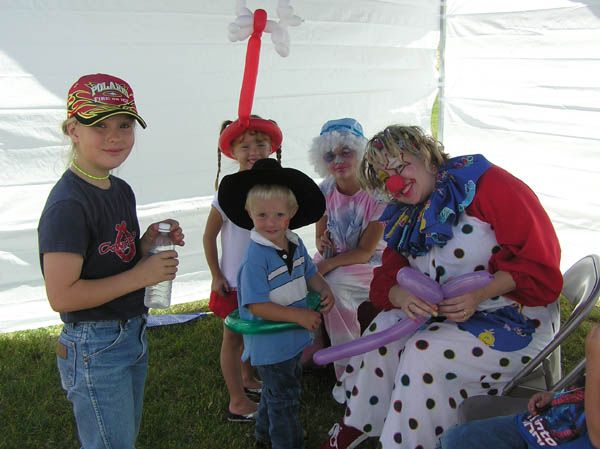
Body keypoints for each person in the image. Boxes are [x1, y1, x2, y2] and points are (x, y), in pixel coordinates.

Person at [318, 125, 563, 449]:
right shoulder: (406, 210)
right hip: (445, 314)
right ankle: (355, 425)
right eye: (383, 175)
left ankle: (411, 442)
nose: (394, 181)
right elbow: (387, 275)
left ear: (428, 157)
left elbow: (539, 263)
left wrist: (479, 294)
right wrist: (400, 295)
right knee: (382, 333)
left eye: (401, 166)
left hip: (513, 316)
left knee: (424, 354)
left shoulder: (489, 186)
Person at [37, 73, 185, 449]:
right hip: (94, 345)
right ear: (73, 130)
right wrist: (142, 275)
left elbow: (112, 255)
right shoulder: (68, 205)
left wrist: (145, 243)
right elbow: (62, 297)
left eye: (124, 124)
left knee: (120, 439)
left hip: (129, 332)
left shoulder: (119, 189)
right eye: (98, 125)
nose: (114, 136)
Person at [218, 158, 335, 449]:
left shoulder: (295, 243)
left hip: (292, 338)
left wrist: (323, 288)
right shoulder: (256, 258)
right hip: (271, 344)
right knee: (285, 397)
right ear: (249, 213)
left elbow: (310, 273)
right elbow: (256, 306)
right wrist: (298, 316)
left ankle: (264, 436)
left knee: (275, 392)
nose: (271, 222)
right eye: (262, 215)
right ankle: (287, 441)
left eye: (279, 214)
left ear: (292, 213)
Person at [203, 115, 282, 421]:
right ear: (232, 152)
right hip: (235, 282)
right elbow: (209, 236)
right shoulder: (227, 191)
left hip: (264, 281)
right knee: (233, 338)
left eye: (260, 144)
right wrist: (215, 274)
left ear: (271, 148)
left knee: (254, 334)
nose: (254, 151)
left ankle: (248, 379)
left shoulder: (275, 189)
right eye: (245, 145)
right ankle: (237, 400)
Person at [307, 118, 385, 377]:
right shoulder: (324, 190)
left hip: (373, 263)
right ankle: (312, 345)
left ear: (361, 153)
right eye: (329, 156)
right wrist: (322, 243)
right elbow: (320, 234)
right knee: (299, 274)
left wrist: (326, 265)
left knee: (335, 286)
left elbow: (365, 252)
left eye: (346, 152)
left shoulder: (378, 194)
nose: (337, 161)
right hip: (335, 258)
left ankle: (350, 370)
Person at [439, 324, 600, 449]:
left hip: (566, 440)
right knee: (455, 439)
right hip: (540, 425)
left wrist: (595, 357)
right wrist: (558, 395)